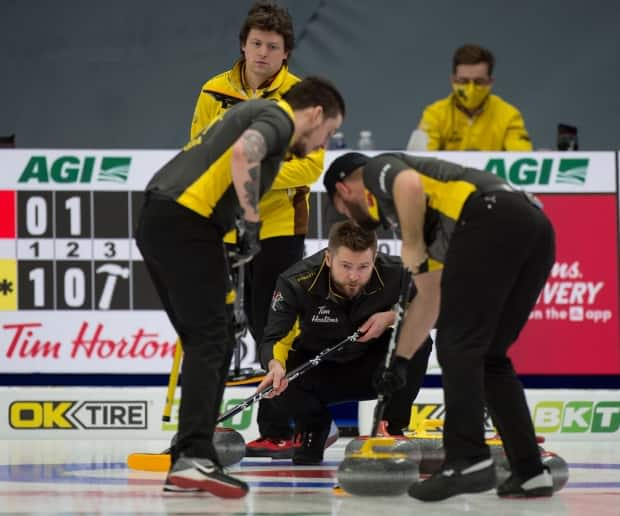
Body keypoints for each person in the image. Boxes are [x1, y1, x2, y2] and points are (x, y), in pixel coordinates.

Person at [135, 76, 345, 496]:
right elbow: (245, 152)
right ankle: (194, 457)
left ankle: (189, 460)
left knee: (207, 341)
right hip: (187, 222)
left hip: (159, 219)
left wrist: (232, 238)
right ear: (317, 114)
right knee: (213, 340)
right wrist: (252, 218)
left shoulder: (249, 115)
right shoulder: (278, 116)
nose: (325, 141)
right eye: (330, 132)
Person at [323, 151, 555, 501]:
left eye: (341, 209)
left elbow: (408, 183)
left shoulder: (377, 170)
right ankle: (530, 472)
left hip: (493, 215)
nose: (349, 217)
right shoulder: (429, 219)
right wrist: (399, 361)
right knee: (489, 356)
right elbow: (429, 298)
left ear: (343, 190)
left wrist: (412, 245)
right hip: (534, 227)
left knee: (457, 343)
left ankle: (468, 460)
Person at [190, 1, 328, 458]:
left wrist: (253, 171)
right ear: (243, 46)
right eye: (256, 44)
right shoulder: (213, 90)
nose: (263, 53)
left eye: (273, 46)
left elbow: (310, 166)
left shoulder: (303, 96)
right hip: (228, 226)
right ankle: (278, 425)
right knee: (246, 325)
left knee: (279, 327)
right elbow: (196, 149)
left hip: (279, 224)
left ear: (286, 53)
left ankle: (296, 424)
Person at [256, 220, 433, 465]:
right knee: (279, 375)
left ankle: (391, 427)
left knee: (418, 338)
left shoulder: (397, 274)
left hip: (374, 371)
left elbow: (432, 307)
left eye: (363, 267)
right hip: (317, 371)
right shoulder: (296, 281)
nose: (353, 276)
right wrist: (274, 366)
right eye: (346, 265)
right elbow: (275, 338)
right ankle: (315, 427)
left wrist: (392, 317)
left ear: (375, 257)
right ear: (328, 259)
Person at [406, 44, 532, 151]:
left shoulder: (509, 116)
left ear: (490, 82)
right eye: (463, 81)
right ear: (453, 80)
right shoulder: (434, 115)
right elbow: (419, 161)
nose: (471, 89)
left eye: (479, 82)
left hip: (493, 180)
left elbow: (521, 159)